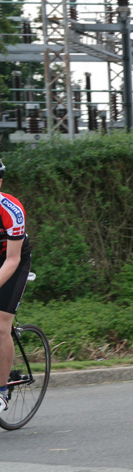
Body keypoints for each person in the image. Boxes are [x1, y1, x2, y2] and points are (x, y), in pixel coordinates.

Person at [0, 158, 31, 412]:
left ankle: (1, 392)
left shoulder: (11, 210)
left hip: (13, 261)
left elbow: (12, 259)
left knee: (1, 323)